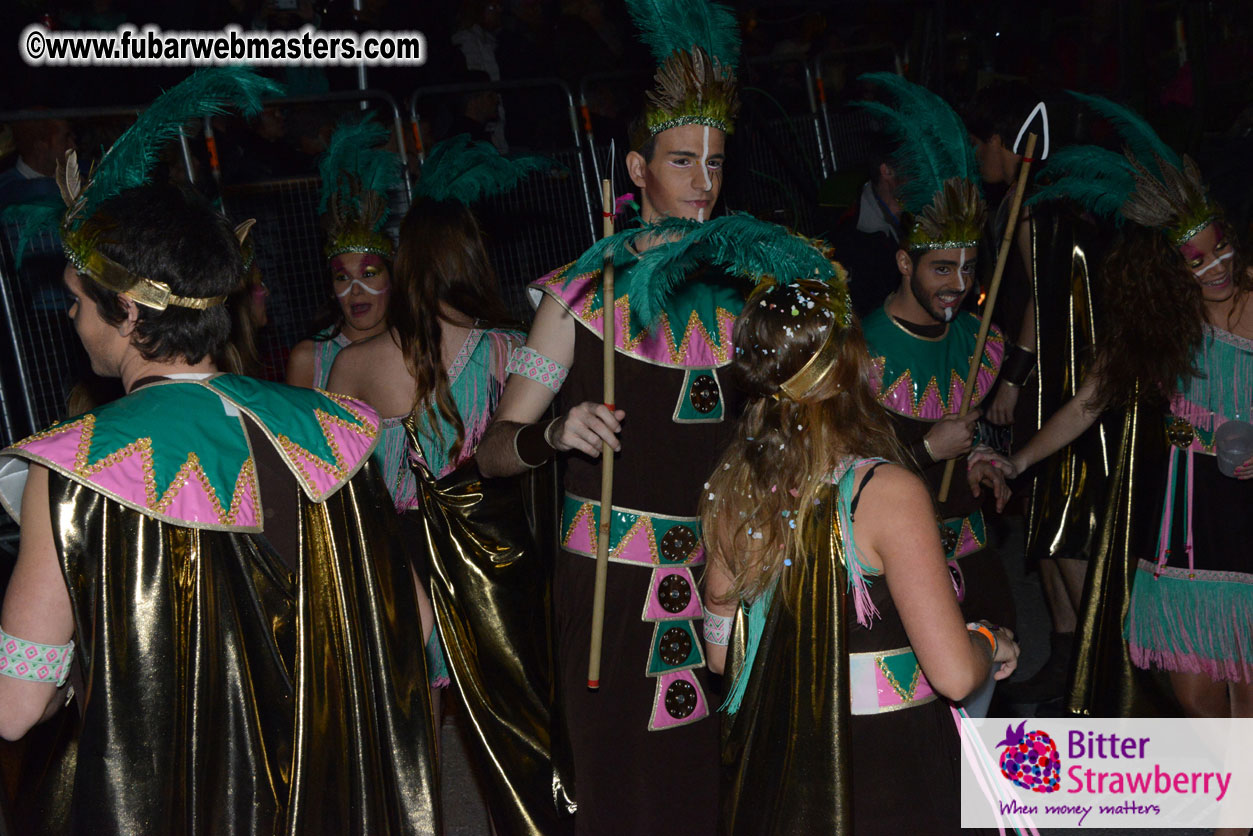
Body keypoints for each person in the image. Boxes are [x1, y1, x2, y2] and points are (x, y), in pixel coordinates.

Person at [0, 69, 439, 834]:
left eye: (78, 302)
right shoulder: (334, 431)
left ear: (128, 312)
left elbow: (15, 707)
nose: (73, 320)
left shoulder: (74, 466)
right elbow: (417, 626)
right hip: (329, 794)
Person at [475, 1, 743, 831]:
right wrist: (554, 435)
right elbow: (491, 452)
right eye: (679, 160)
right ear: (634, 169)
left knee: (717, 778)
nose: (702, 181)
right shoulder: (577, 294)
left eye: (715, 161)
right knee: (620, 781)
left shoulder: (745, 291)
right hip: (608, 587)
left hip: (727, 570)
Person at [704, 278, 1019, 835]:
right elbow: (951, 674)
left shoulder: (733, 488)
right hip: (888, 771)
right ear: (852, 373)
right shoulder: (885, 492)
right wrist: (989, 641)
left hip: (788, 767)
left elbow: (721, 657)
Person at [976, 93, 1253, 722]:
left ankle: (1234, 817)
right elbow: (1089, 401)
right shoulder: (1159, 323)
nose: (1217, 267)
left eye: (1222, 248)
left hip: (1244, 510)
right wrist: (1017, 463)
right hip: (1182, 521)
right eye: (1197, 259)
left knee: (1248, 695)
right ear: (1169, 270)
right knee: (1194, 692)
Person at [326, 134, 563, 835]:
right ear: (471, 261)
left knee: (412, 732)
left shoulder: (357, 365)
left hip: (406, 554)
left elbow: (345, 490)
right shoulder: (512, 352)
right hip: (495, 556)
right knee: (512, 727)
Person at [855, 73, 1016, 718]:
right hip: (907, 580)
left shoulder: (979, 340)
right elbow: (849, 477)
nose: (959, 284)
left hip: (974, 563)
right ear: (903, 264)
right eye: (941, 268)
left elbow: (964, 445)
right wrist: (927, 447)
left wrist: (979, 459)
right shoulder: (860, 351)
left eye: (968, 267)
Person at [966, 82, 1110, 704]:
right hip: (1045, 380)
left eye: (982, 145)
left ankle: (1100, 662)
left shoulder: (1038, 210)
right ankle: (1064, 648)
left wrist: (1014, 378)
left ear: (1006, 142)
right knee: (1039, 518)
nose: (978, 157)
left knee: (1065, 517)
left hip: (1059, 382)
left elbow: (1043, 305)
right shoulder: (1017, 205)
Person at [285, 116, 401, 391]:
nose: (355, 290)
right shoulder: (308, 359)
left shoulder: (414, 345)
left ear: (392, 278)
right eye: (342, 277)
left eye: (368, 274)